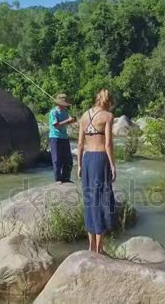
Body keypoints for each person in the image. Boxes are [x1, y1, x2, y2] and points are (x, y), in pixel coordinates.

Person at [77, 89, 116, 254]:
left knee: (89, 200)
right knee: (102, 200)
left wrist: (78, 164)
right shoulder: (108, 116)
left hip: (86, 160)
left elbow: (79, 144)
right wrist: (113, 165)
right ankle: (99, 249)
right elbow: (108, 144)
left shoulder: (84, 116)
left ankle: (91, 246)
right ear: (108, 102)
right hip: (100, 159)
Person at [49, 94, 76, 183]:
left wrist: (72, 120)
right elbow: (56, 125)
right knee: (57, 159)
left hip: (64, 137)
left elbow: (65, 123)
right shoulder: (53, 112)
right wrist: (68, 121)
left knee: (68, 159)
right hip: (55, 137)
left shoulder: (65, 111)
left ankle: (66, 178)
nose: (65, 105)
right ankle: (58, 179)